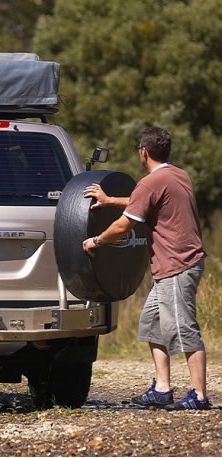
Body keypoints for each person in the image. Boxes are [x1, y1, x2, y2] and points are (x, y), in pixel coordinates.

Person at [82, 126, 209, 410]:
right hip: (175, 266)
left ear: (143, 152)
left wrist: (96, 241)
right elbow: (146, 203)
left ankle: (199, 395)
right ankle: (162, 388)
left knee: (183, 328)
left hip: (177, 265)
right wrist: (110, 200)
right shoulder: (177, 175)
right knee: (152, 323)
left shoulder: (151, 183)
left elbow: (124, 225)